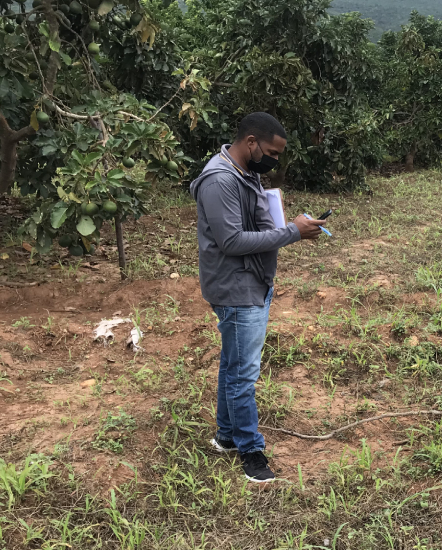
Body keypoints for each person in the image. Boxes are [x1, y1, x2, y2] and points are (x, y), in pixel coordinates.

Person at [190, 112, 325, 483]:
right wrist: (292, 233)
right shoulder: (219, 180)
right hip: (237, 287)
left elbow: (255, 223)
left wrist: (285, 224)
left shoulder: (245, 172)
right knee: (243, 373)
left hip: (253, 282)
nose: (273, 161)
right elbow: (232, 242)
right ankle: (251, 452)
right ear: (251, 142)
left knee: (233, 364)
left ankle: (227, 436)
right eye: (271, 152)